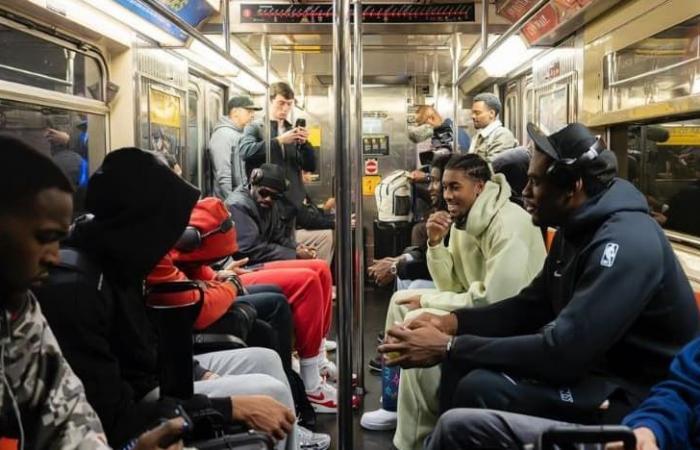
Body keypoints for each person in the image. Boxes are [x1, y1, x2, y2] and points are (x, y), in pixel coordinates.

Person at [380, 123, 698, 445]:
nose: (526, 192)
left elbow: (565, 351)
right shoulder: (572, 231)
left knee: (479, 388)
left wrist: (449, 347)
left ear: (572, 187)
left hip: (639, 397)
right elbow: (531, 304)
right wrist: (452, 323)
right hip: (595, 374)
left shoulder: (625, 241)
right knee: (461, 369)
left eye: (535, 182)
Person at [35, 148, 309, 450]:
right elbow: (115, 415)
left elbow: (151, 343)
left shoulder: (124, 260)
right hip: (140, 402)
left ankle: (295, 436)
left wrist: (196, 372)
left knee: (265, 359)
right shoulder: (79, 289)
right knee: (268, 390)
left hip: (157, 379)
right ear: (143, 223)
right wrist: (225, 407)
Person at [0, 135, 184, 449]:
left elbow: (68, 420)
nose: (54, 256)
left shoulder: (20, 313)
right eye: (43, 237)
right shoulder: (72, 290)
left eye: (58, 239)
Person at [367, 154, 546, 448]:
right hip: (479, 305)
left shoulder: (509, 224)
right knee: (401, 300)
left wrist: (429, 303)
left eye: (454, 187)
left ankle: (418, 437)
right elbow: (450, 283)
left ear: (478, 187)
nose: (446, 195)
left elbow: (497, 299)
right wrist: (436, 242)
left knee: (415, 323)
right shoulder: (466, 221)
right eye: (444, 186)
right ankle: (393, 402)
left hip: (509, 318)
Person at [148, 197, 344, 415]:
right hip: (232, 278)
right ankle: (304, 384)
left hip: (226, 273)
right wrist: (230, 283)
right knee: (288, 296)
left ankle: (308, 370)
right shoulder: (158, 248)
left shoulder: (173, 237)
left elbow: (201, 271)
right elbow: (248, 250)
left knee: (314, 273)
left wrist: (220, 277)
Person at [425, 337, 700, 450]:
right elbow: (682, 390)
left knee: (481, 385)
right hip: (647, 434)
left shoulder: (631, 244)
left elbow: (566, 349)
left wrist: (454, 344)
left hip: (617, 397)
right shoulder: (573, 244)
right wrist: (650, 430)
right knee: (459, 425)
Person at [238, 82, 333, 264]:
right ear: (270, 101)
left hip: (291, 203)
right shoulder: (256, 128)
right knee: (277, 253)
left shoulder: (292, 129)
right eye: (281, 103)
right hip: (268, 201)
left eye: (289, 104)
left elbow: (310, 166)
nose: (285, 108)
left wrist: (305, 145)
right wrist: (279, 140)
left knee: (291, 250)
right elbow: (246, 151)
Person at [209, 96, 262, 200]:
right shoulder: (223, 135)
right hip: (230, 202)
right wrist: (232, 203)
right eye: (248, 111)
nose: (252, 115)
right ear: (235, 112)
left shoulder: (239, 134)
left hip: (241, 198)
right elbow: (223, 175)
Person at [468, 92, 517, 162]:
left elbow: (491, 166)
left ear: (491, 113)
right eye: (472, 113)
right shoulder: (477, 137)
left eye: (477, 113)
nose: (473, 116)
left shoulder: (502, 135)